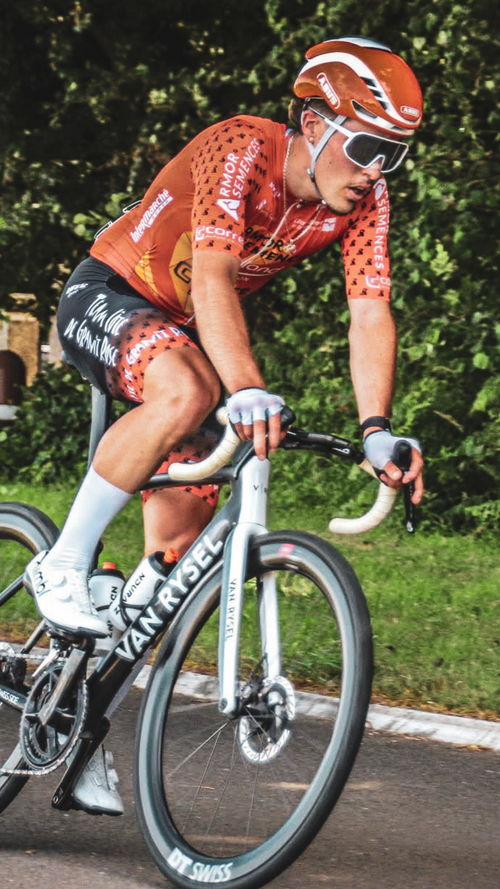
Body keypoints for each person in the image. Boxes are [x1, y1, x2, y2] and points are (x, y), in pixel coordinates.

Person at [25, 36, 425, 814]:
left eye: (394, 155)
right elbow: (210, 277)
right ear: (316, 124)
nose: (377, 170)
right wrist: (246, 387)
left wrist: (378, 428)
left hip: (184, 333)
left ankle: (81, 724)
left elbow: (369, 312)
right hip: (108, 294)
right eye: (368, 147)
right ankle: (62, 562)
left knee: (170, 574)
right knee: (190, 388)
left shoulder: (364, 200)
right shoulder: (242, 146)